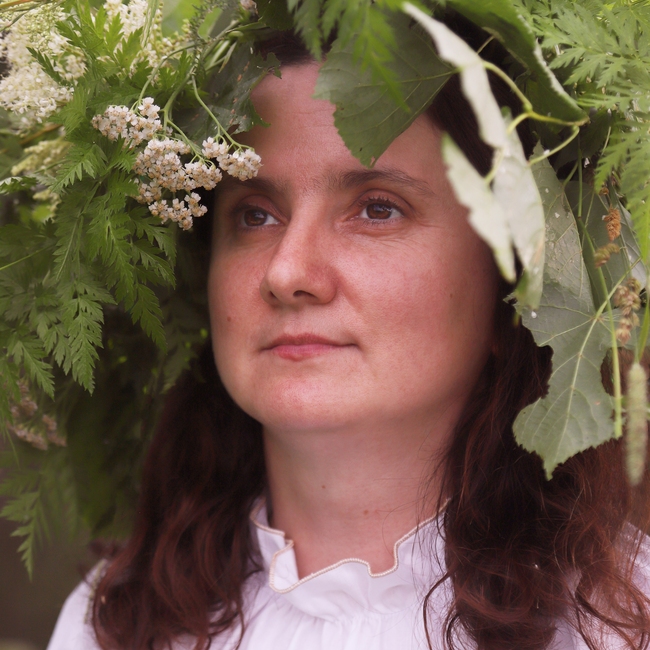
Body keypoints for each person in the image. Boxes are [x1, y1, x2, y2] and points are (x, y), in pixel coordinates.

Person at [46, 29, 650, 650]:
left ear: (516, 284)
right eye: (254, 214)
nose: (287, 273)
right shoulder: (113, 624)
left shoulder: (618, 628)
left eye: (378, 208)